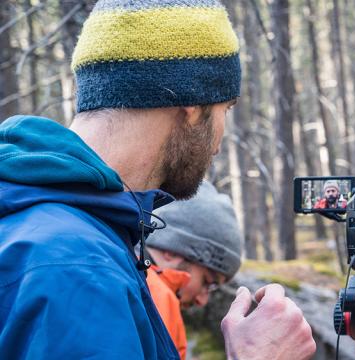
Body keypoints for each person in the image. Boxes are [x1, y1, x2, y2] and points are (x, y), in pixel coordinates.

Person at [0, 1, 316, 359]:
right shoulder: (79, 267)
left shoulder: (57, 225)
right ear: (193, 107)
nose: (217, 146)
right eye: (225, 109)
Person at [144, 181, 243, 360]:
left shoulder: (122, 269)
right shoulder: (155, 296)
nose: (202, 300)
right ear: (172, 251)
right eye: (207, 282)